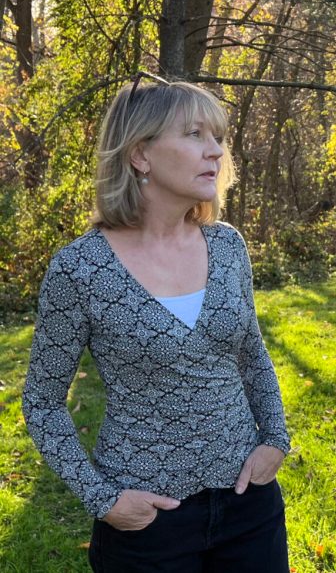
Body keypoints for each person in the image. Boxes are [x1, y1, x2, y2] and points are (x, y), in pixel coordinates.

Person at [22, 76, 291, 572]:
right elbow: (41, 400)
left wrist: (275, 437)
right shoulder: (81, 269)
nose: (215, 152)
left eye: (218, 138)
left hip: (249, 504)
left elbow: (252, 354)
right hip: (147, 523)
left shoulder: (227, 246)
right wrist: (103, 499)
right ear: (140, 154)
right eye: (195, 135)